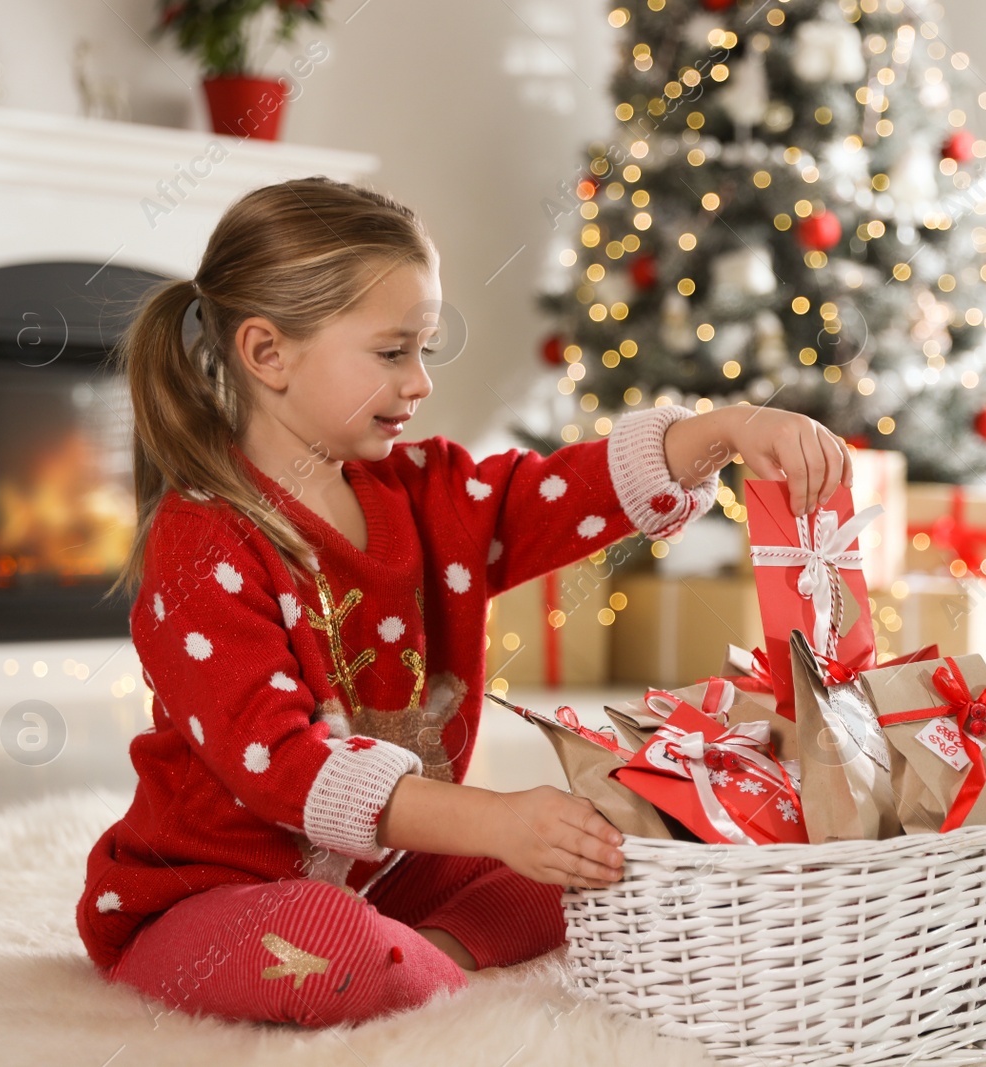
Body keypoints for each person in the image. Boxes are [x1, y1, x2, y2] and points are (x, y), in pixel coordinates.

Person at [76, 176, 854, 1027]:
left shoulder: (422, 488)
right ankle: (399, 962)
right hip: (209, 895)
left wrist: (727, 429)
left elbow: (555, 494)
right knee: (331, 939)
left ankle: (418, 957)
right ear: (268, 354)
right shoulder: (202, 543)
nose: (419, 381)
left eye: (426, 350)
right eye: (390, 352)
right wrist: (492, 820)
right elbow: (285, 767)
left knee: (593, 849)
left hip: (381, 866)